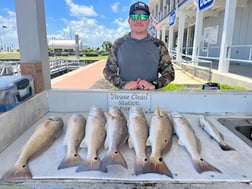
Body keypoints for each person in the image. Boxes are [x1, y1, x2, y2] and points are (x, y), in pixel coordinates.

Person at [103, 1, 175, 90]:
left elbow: (170, 73)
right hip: (124, 98)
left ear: (148, 21)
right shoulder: (118, 44)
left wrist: (154, 84)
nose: (139, 20)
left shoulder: (158, 45)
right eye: (134, 16)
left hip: (151, 99)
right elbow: (108, 71)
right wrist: (123, 84)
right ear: (129, 21)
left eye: (144, 17)